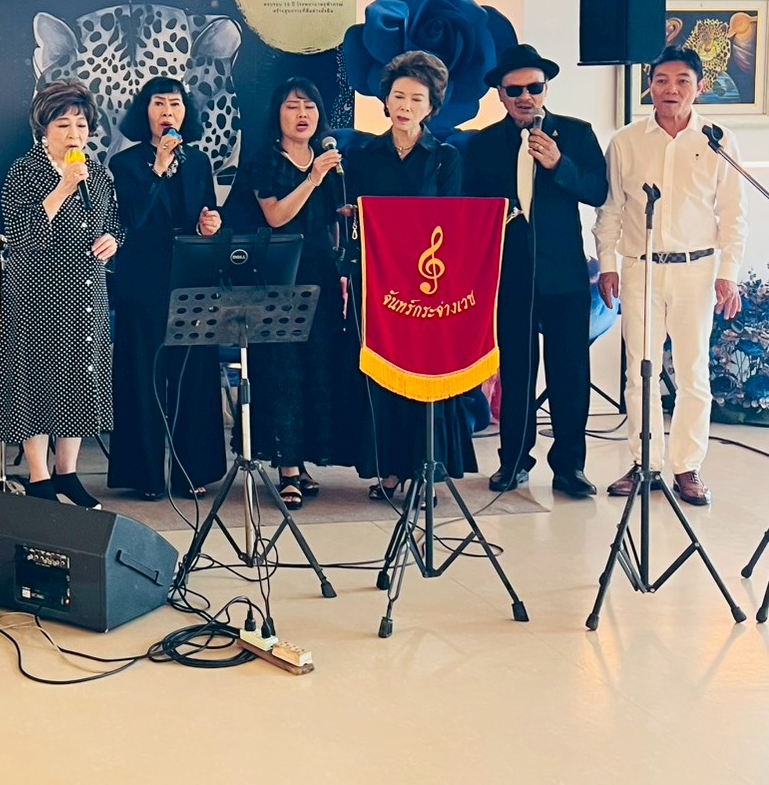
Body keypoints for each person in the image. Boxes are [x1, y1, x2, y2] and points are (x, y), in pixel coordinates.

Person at [594, 46, 745, 506]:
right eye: (661, 80)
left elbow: (733, 214)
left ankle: (686, 466)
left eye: (682, 81)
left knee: (693, 372)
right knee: (641, 370)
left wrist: (728, 272)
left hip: (697, 271)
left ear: (700, 88)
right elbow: (611, 209)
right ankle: (645, 463)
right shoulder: (626, 141)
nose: (671, 89)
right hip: (640, 268)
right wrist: (607, 264)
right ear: (650, 86)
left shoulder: (718, 139)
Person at [462, 44, 608, 498]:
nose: (526, 96)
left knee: (570, 373)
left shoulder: (577, 133)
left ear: (546, 89)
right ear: (500, 95)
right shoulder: (483, 144)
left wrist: (559, 165)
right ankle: (513, 461)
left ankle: (570, 466)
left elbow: (598, 191)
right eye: (515, 90)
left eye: (535, 87)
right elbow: (471, 209)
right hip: (509, 275)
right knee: (517, 372)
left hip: (565, 274)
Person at [0, 80, 123, 508]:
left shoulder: (98, 173)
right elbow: (21, 233)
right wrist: (62, 188)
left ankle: (67, 473)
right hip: (37, 292)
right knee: (37, 377)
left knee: (79, 375)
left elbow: (114, 223)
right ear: (44, 130)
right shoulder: (24, 171)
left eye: (81, 125)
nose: (74, 134)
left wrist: (113, 241)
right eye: (63, 125)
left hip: (86, 290)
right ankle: (39, 476)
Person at [346, 51, 474, 499]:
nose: (404, 105)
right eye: (398, 95)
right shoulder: (363, 156)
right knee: (383, 374)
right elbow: (354, 219)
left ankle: (424, 469)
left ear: (431, 107)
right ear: (385, 100)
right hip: (377, 283)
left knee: (424, 376)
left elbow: (450, 224)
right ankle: (388, 471)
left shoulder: (444, 159)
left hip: (426, 285)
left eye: (416, 98)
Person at [106, 76, 224, 501]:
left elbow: (207, 213)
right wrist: (157, 167)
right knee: (143, 375)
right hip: (144, 279)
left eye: (175, 104)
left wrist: (211, 224)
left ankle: (193, 470)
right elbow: (130, 220)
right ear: (146, 112)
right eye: (159, 103)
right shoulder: (126, 164)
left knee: (194, 374)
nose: (167, 112)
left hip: (191, 277)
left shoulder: (199, 162)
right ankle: (146, 476)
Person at [245, 77, 356, 509]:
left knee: (317, 365)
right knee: (283, 368)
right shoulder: (264, 161)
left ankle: (305, 459)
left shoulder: (327, 159)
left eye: (309, 106)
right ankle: (286, 467)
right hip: (279, 274)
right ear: (277, 115)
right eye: (292, 107)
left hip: (320, 273)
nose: (302, 114)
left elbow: (330, 223)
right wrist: (312, 178)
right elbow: (276, 216)